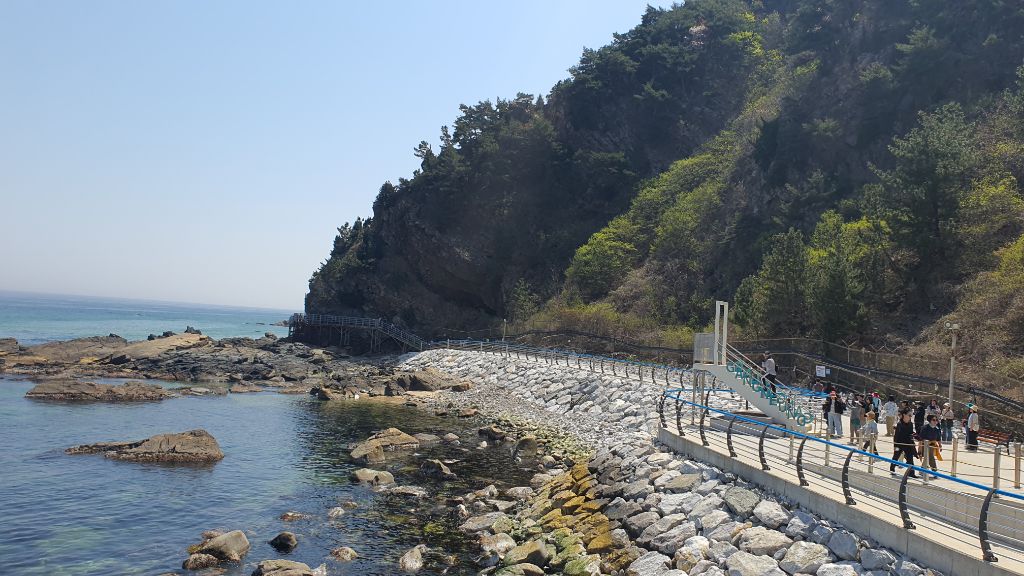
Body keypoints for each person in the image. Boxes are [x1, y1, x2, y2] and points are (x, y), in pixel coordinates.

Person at [891, 410, 918, 478]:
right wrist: (895, 446)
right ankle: (892, 469)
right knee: (896, 457)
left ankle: (911, 473)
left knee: (910, 458)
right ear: (904, 415)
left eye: (911, 415)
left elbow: (910, 432)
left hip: (908, 444)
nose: (910, 417)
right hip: (899, 444)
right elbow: (896, 436)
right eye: (909, 415)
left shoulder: (911, 424)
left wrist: (915, 435)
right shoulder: (899, 424)